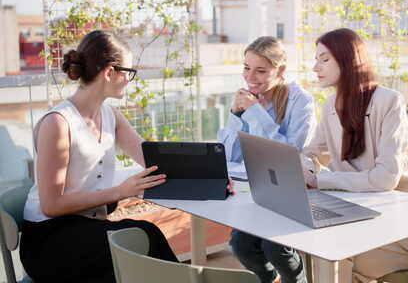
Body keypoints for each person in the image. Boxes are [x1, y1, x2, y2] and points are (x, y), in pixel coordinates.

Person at [20, 30, 179, 283]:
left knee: (145, 236)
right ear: (109, 72)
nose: (130, 79)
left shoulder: (110, 115)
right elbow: (51, 206)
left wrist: (209, 177)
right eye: (129, 72)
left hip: (89, 229)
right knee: (142, 238)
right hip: (49, 239)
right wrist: (119, 191)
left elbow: (152, 160)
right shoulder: (58, 123)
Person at [302, 28, 408, 283]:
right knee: (313, 249)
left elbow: (385, 178)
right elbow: (312, 153)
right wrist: (302, 169)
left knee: (334, 255)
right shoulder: (330, 106)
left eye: (324, 59)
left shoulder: (389, 101)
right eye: (316, 59)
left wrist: (320, 180)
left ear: (348, 60)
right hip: (366, 219)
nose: (315, 67)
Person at [218, 36, 315, 283]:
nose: (251, 77)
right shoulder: (248, 98)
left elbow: (287, 156)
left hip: (292, 189)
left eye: (261, 70)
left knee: (274, 247)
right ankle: (269, 279)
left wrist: (254, 113)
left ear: (280, 70)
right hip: (257, 190)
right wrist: (236, 115)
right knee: (241, 244)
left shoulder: (300, 101)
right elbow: (231, 155)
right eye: (247, 68)